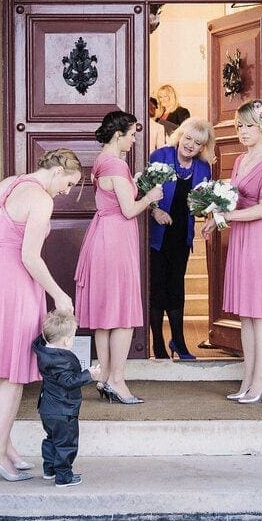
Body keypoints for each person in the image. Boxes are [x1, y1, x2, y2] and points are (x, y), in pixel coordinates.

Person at [0, 148, 83, 483]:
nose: (67, 191)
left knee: (5, 370)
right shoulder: (42, 200)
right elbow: (30, 256)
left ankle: (7, 445)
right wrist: (59, 294)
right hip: (13, 284)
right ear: (57, 172)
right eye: (69, 184)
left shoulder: (10, 184)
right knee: (12, 372)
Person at [74, 110, 163, 405]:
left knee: (104, 314)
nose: (134, 139)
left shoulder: (101, 161)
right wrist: (150, 198)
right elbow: (128, 209)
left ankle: (105, 377)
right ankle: (118, 380)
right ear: (118, 135)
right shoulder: (115, 165)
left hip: (102, 235)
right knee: (123, 313)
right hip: (116, 239)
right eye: (132, 134)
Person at [203, 99, 262, 404]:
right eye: (239, 125)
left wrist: (227, 217)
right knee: (246, 315)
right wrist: (214, 214)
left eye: (249, 125)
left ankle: (261, 379)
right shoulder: (240, 160)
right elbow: (233, 200)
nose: (243, 131)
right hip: (241, 238)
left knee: (260, 312)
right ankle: (248, 378)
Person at [148, 117, 216, 360]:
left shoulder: (203, 168)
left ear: (202, 148)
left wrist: (210, 212)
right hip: (156, 236)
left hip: (181, 237)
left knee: (176, 289)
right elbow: (144, 189)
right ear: (180, 136)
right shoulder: (160, 156)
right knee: (156, 289)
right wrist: (155, 209)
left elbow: (202, 204)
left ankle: (178, 342)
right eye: (187, 138)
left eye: (197, 143)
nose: (190, 145)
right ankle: (157, 344)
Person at [31, 309, 102, 487]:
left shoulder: (43, 351)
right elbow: (68, 381)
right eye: (73, 337)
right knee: (66, 443)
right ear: (65, 340)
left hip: (47, 408)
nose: (73, 340)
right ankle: (63, 476)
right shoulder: (61, 360)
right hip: (63, 410)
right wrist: (89, 375)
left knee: (51, 439)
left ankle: (49, 469)